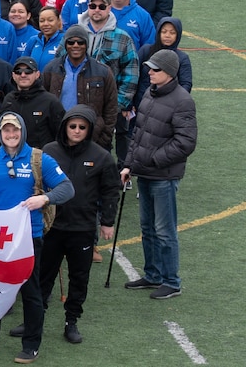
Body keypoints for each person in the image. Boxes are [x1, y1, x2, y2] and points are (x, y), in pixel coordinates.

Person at [0, 112, 72, 363]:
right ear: (0, 133)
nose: (11, 135)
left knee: (30, 291)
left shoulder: (39, 159)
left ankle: (31, 344)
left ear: (22, 131)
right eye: (6, 131)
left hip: (27, 237)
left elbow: (67, 188)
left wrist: (45, 198)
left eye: (15, 130)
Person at [36, 106, 118, 344]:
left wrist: (107, 222)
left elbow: (110, 191)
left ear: (89, 129)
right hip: (51, 228)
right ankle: (35, 320)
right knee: (43, 275)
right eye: (73, 126)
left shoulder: (101, 156)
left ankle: (71, 321)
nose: (77, 131)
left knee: (79, 278)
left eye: (82, 127)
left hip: (82, 230)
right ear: (65, 127)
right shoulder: (49, 151)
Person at [122, 49, 195, 299]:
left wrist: (153, 159)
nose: (150, 72)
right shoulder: (149, 93)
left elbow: (186, 142)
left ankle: (172, 281)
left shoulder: (182, 100)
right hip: (145, 173)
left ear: (170, 73)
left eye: (155, 69)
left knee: (165, 230)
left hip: (163, 176)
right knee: (148, 228)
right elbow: (138, 134)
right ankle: (152, 275)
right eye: (150, 68)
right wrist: (129, 165)